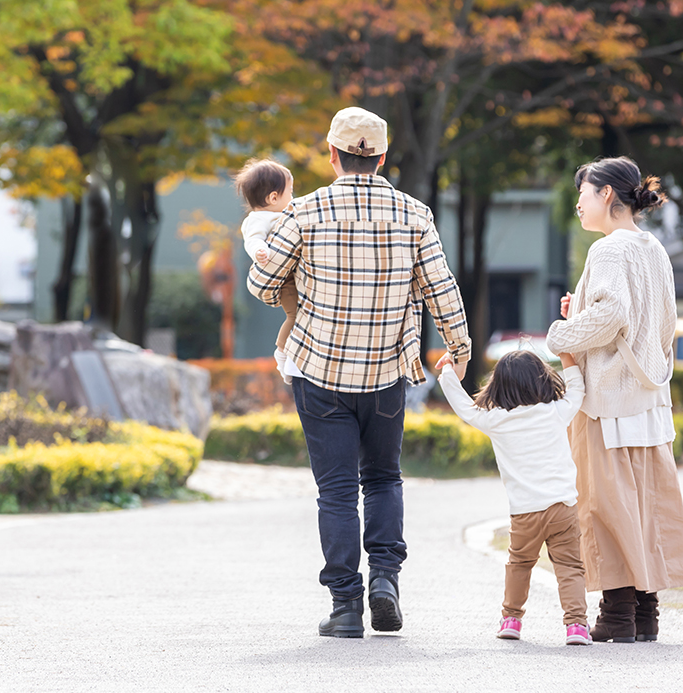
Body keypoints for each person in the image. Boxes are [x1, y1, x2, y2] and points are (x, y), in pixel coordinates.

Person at [247, 106, 471, 638]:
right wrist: (458, 347)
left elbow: (261, 285)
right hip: (387, 373)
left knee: (337, 490)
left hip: (318, 372)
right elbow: (440, 287)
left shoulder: (304, 213)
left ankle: (346, 605)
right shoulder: (414, 213)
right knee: (384, 478)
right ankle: (386, 582)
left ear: (331, 154)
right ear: (383, 156)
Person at [546, 156, 683, 643]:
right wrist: (586, 311)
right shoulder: (653, 247)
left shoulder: (609, 250)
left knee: (606, 505)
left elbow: (611, 317)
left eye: (584, 193)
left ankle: (615, 613)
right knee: (645, 503)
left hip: (608, 399)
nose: (579, 202)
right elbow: (664, 323)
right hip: (650, 399)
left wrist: (561, 332)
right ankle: (644, 613)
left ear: (607, 194)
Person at [436, 348, 592, 646]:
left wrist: (447, 372)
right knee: (570, 567)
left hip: (525, 512)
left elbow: (464, 407)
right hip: (563, 507)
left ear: (499, 386)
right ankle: (576, 626)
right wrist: (568, 358)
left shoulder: (497, 420)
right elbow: (578, 391)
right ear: (541, 380)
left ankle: (511, 619)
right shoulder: (555, 411)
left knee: (519, 564)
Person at [234, 158, 297, 382]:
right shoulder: (259, 219)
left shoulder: (285, 214)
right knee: (295, 314)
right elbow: (252, 240)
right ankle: (281, 352)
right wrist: (260, 250)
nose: (293, 197)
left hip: (297, 274)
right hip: (288, 281)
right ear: (273, 197)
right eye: (290, 192)